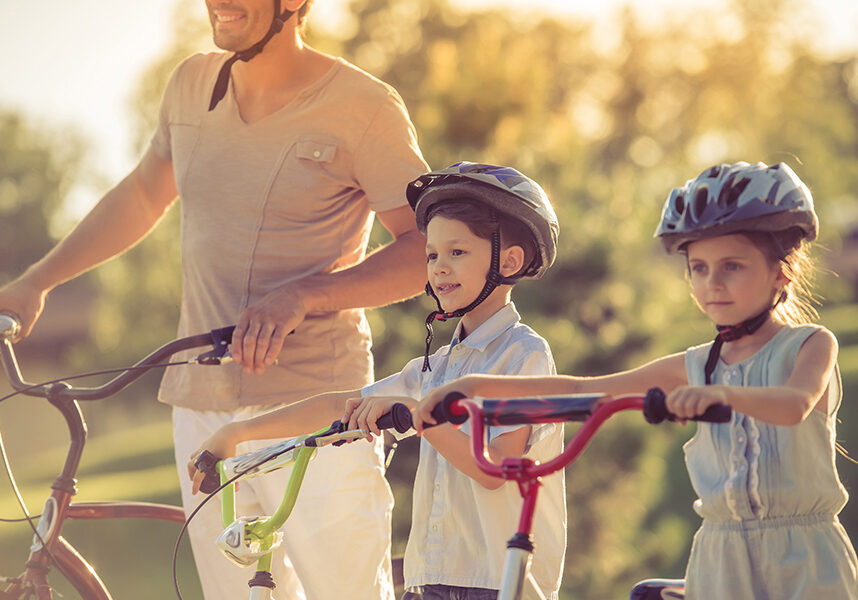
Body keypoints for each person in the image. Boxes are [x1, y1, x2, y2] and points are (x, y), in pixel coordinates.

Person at [0, 1, 429, 598]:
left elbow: (424, 250)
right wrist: (36, 281)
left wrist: (307, 294)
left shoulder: (365, 107)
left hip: (316, 410)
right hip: (199, 409)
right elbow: (148, 192)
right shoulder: (190, 85)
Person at [416, 162, 858, 599]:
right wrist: (473, 386)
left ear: (782, 272)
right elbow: (584, 389)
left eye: (732, 267)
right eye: (699, 268)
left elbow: (794, 403)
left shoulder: (809, 345)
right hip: (720, 557)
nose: (712, 283)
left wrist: (716, 394)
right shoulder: (697, 364)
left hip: (804, 557)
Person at [189, 162, 568, 600]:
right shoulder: (437, 367)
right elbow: (340, 406)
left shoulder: (524, 355)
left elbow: (496, 469)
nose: (440, 268)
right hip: (430, 582)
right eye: (432, 255)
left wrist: (415, 415)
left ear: (511, 261)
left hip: (500, 585)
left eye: (457, 253)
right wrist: (236, 433)